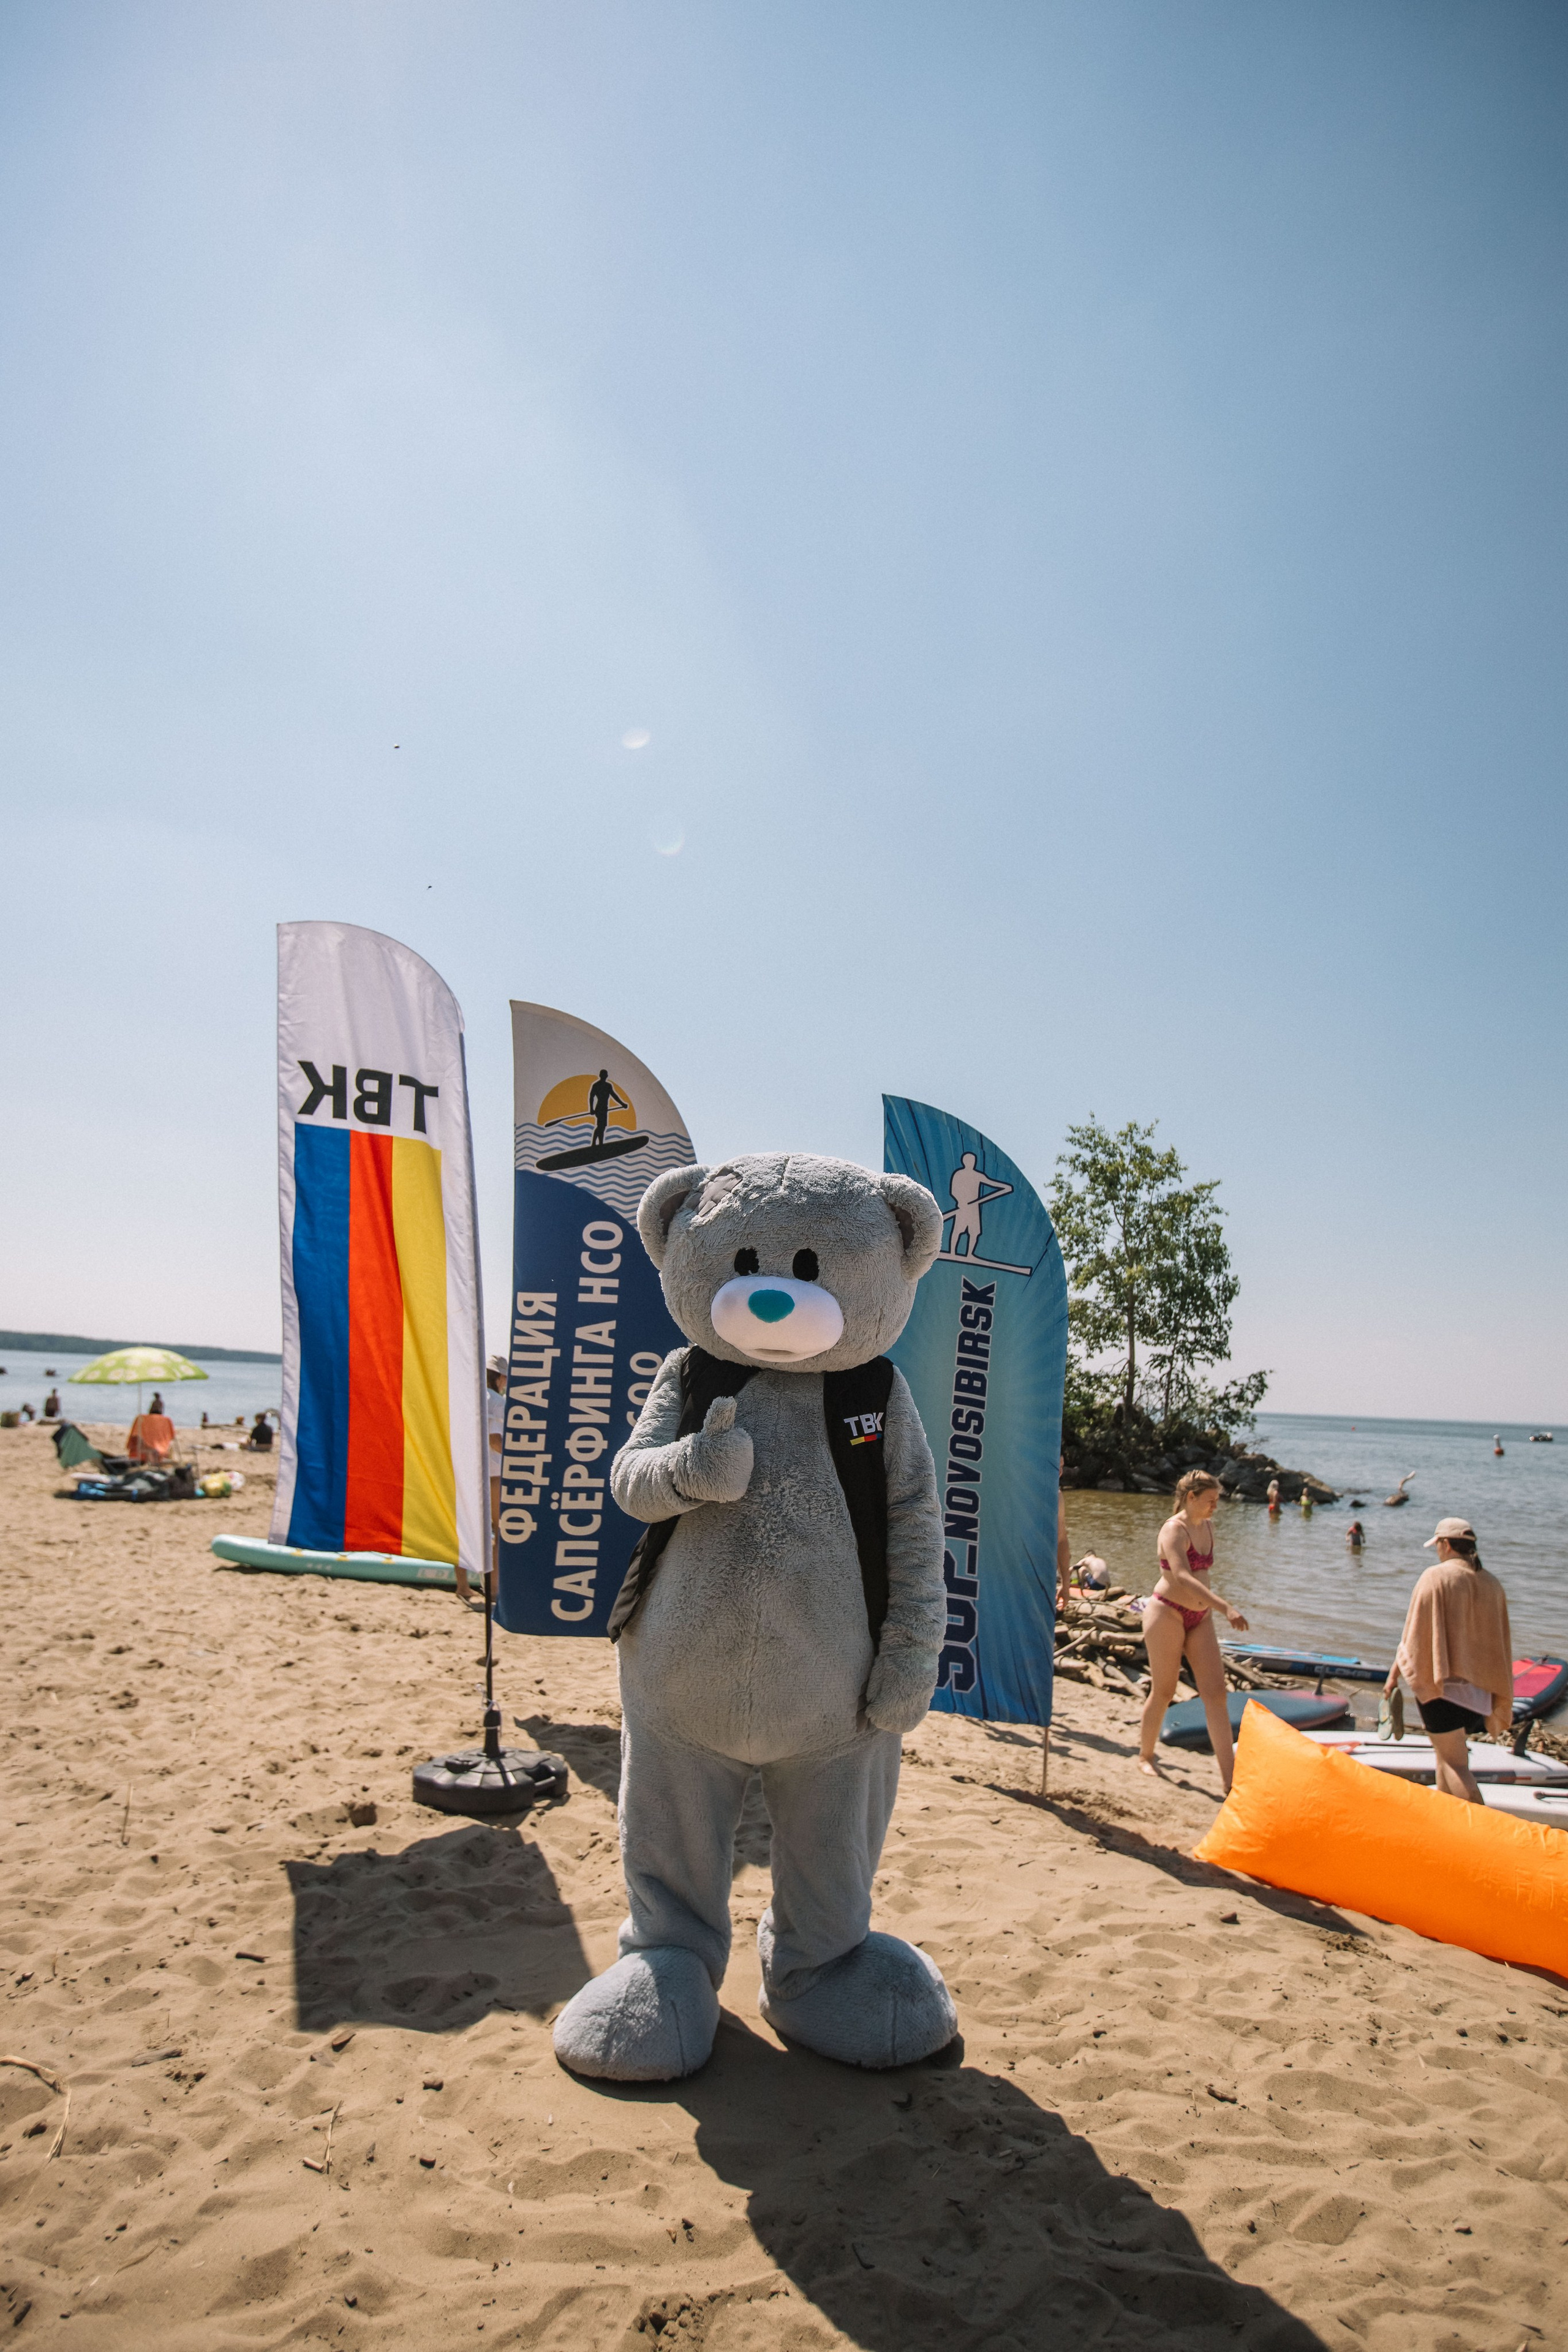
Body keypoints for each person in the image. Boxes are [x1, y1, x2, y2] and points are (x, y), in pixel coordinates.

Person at [1383, 1518, 1512, 1803]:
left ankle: (1482, 1833)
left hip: (1443, 1689)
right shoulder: (1491, 1582)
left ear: (1445, 1544)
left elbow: (1414, 1635)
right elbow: (1498, 1642)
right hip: (1479, 1693)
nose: (1437, 1552)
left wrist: (1394, 1677)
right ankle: (1447, 1820)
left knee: (1456, 1764)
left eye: (1437, 1545)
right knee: (1445, 1756)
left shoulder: (1436, 1576)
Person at [1137, 1469, 1250, 1792]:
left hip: (1199, 1619)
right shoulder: (1174, 1529)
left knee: (1216, 1694)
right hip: (1167, 1613)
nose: (1216, 1506)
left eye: (1217, 1501)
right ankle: (1146, 1755)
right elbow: (1182, 1576)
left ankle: (1230, 1781)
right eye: (1211, 1500)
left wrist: (1211, 1609)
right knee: (1164, 1691)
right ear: (1191, 1497)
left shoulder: (1209, 1528)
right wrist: (1225, 1607)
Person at [461, 1353, 508, 1607]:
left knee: (467, 1528)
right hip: (493, 1473)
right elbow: (495, 1440)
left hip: (470, 1469)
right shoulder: (498, 1401)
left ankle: (462, 1586)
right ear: (500, 1377)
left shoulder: (473, 1396)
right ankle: (493, 1589)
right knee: (499, 1532)